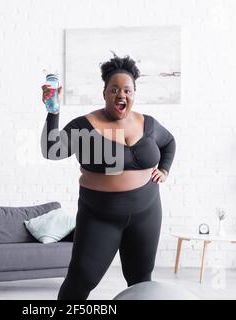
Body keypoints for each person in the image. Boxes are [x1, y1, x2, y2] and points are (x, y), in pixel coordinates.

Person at [40, 53, 176, 300]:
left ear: (134, 94)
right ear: (104, 93)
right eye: (114, 89)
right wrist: (53, 112)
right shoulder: (85, 126)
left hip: (147, 213)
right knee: (81, 280)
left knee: (141, 280)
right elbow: (51, 151)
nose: (121, 94)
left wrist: (164, 170)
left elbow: (169, 143)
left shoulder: (149, 124)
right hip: (100, 216)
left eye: (127, 90)